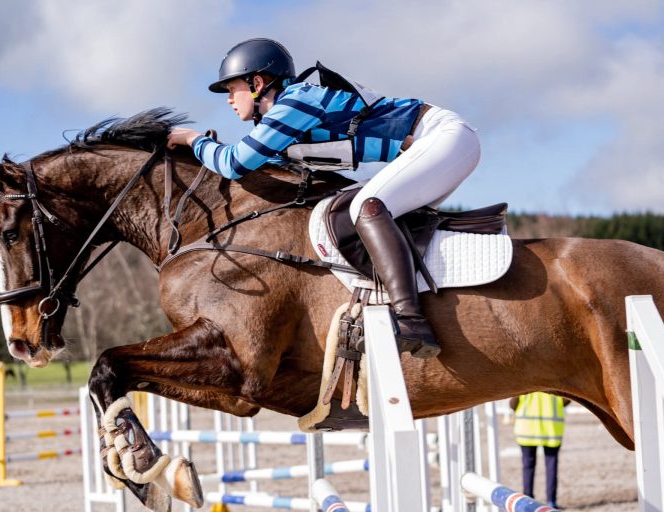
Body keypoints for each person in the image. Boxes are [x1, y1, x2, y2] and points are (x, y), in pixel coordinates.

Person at [167, 38, 481, 359]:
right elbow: (258, 167)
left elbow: (235, 163)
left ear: (257, 82)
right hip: (432, 147)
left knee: (366, 207)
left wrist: (193, 140)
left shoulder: (295, 102)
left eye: (232, 90)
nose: (230, 100)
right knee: (357, 210)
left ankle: (412, 320)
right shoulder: (287, 124)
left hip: (444, 136)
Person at [509, 392, 570, 509]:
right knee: (551, 466)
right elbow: (566, 400)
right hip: (551, 429)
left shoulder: (524, 379)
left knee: (528, 466)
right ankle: (551, 501)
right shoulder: (555, 378)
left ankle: (528, 500)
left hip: (527, 429)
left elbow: (513, 404)